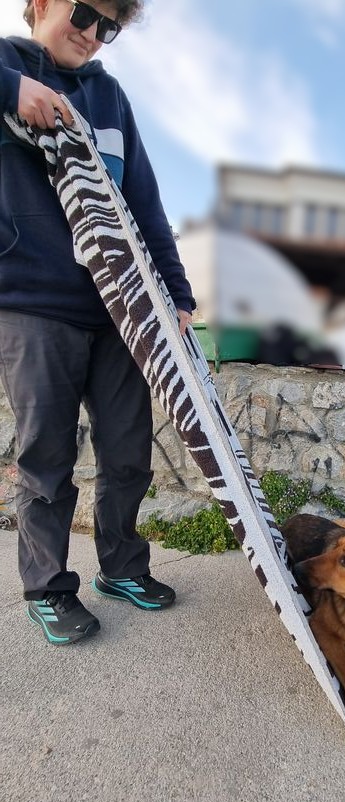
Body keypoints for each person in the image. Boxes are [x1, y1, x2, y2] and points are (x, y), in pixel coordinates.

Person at [0, 0, 196, 645]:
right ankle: (48, 587)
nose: (92, 32)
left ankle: (122, 567)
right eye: (82, 12)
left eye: (108, 26)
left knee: (127, 452)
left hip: (125, 310)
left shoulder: (109, 97)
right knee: (47, 457)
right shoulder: (6, 61)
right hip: (33, 300)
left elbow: (144, 198)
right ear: (38, 6)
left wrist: (178, 294)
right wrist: (12, 87)